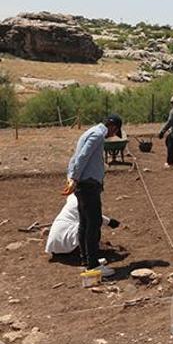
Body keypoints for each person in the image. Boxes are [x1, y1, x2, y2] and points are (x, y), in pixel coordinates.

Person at [63, 114, 123, 276]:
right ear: (112, 127)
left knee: (85, 222)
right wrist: (74, 178)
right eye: (115, 132)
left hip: (83, 183)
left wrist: (71, 177)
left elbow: (76, 157)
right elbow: (82, 157)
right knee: (94, 223)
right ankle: (93, 265)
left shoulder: (90, 132)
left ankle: (86, 258)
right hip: (88, 185)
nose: (112, 135)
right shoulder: (97, 135)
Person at [46, 195, 120, 256]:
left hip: (54, 246)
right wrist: (109, 222)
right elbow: (94, 216)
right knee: (92, 223)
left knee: (86, 222)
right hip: (66, 242)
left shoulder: (73, 199)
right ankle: (90, 251)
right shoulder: (83, 200)